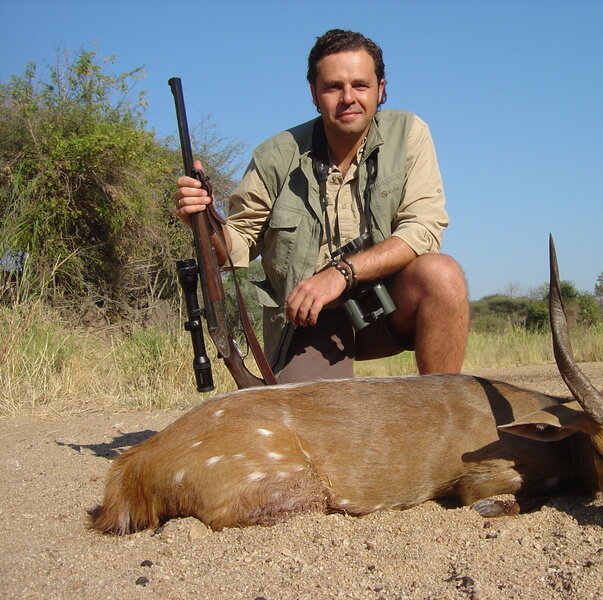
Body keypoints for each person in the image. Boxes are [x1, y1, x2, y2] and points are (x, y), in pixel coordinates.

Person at [175, 29, 469, 383]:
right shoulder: (275, 156)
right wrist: (203, 219)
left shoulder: (409, 133)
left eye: (360, 85)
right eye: (333, 87)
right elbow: (235, 247)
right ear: (314, 94)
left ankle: (443, 413)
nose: (348, 98)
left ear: (381, 89)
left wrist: (340, 274)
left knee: (442, 274)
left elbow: (422, 230)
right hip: (310, 318)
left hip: (388, 303)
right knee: (313, 428)